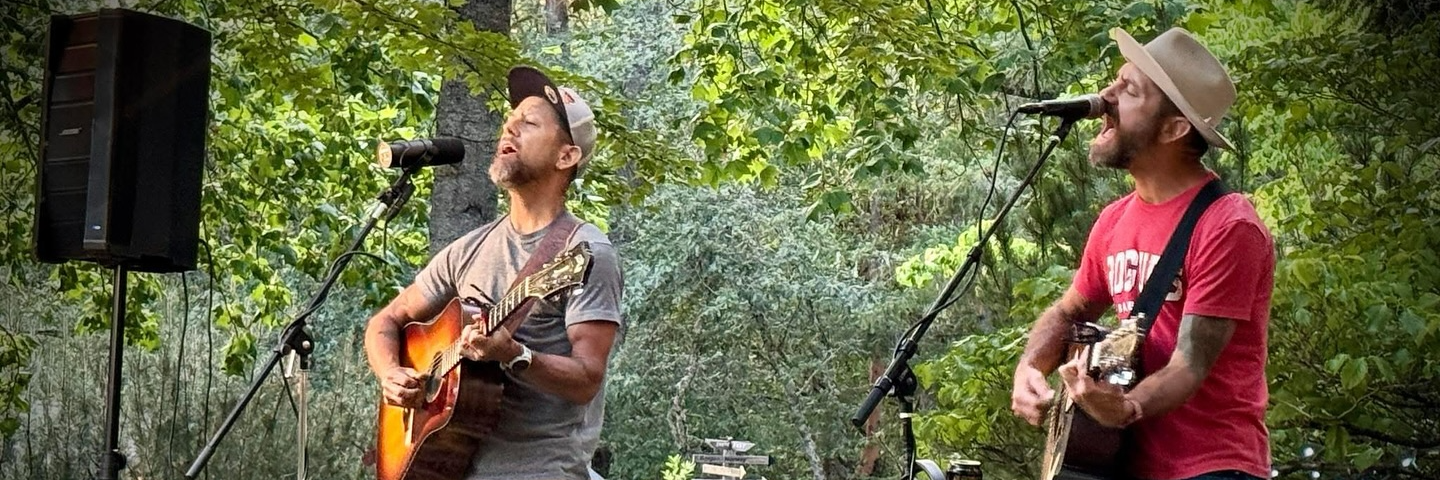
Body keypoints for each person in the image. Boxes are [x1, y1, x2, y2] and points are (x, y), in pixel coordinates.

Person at [1009, 28, 1275, 480]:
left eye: (1128, 89)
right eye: (1115, 81)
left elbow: (1190, 365)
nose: (1105, 96)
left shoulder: (1229, 226)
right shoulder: (1114, 220)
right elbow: (1070, 310)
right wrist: (1030, 367)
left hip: (1214, 468)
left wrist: (1126, 406)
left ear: (1174, 128)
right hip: (1126, 466)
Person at [364, 65, 623, 480]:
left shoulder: (587, 253)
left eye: (529, 122)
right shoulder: (469, 249)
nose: (510, 129)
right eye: (510, 120)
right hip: (448, 466)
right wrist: (391, 374)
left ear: (567, 155)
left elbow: (586, 379)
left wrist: (514, 354)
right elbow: (386, 322)